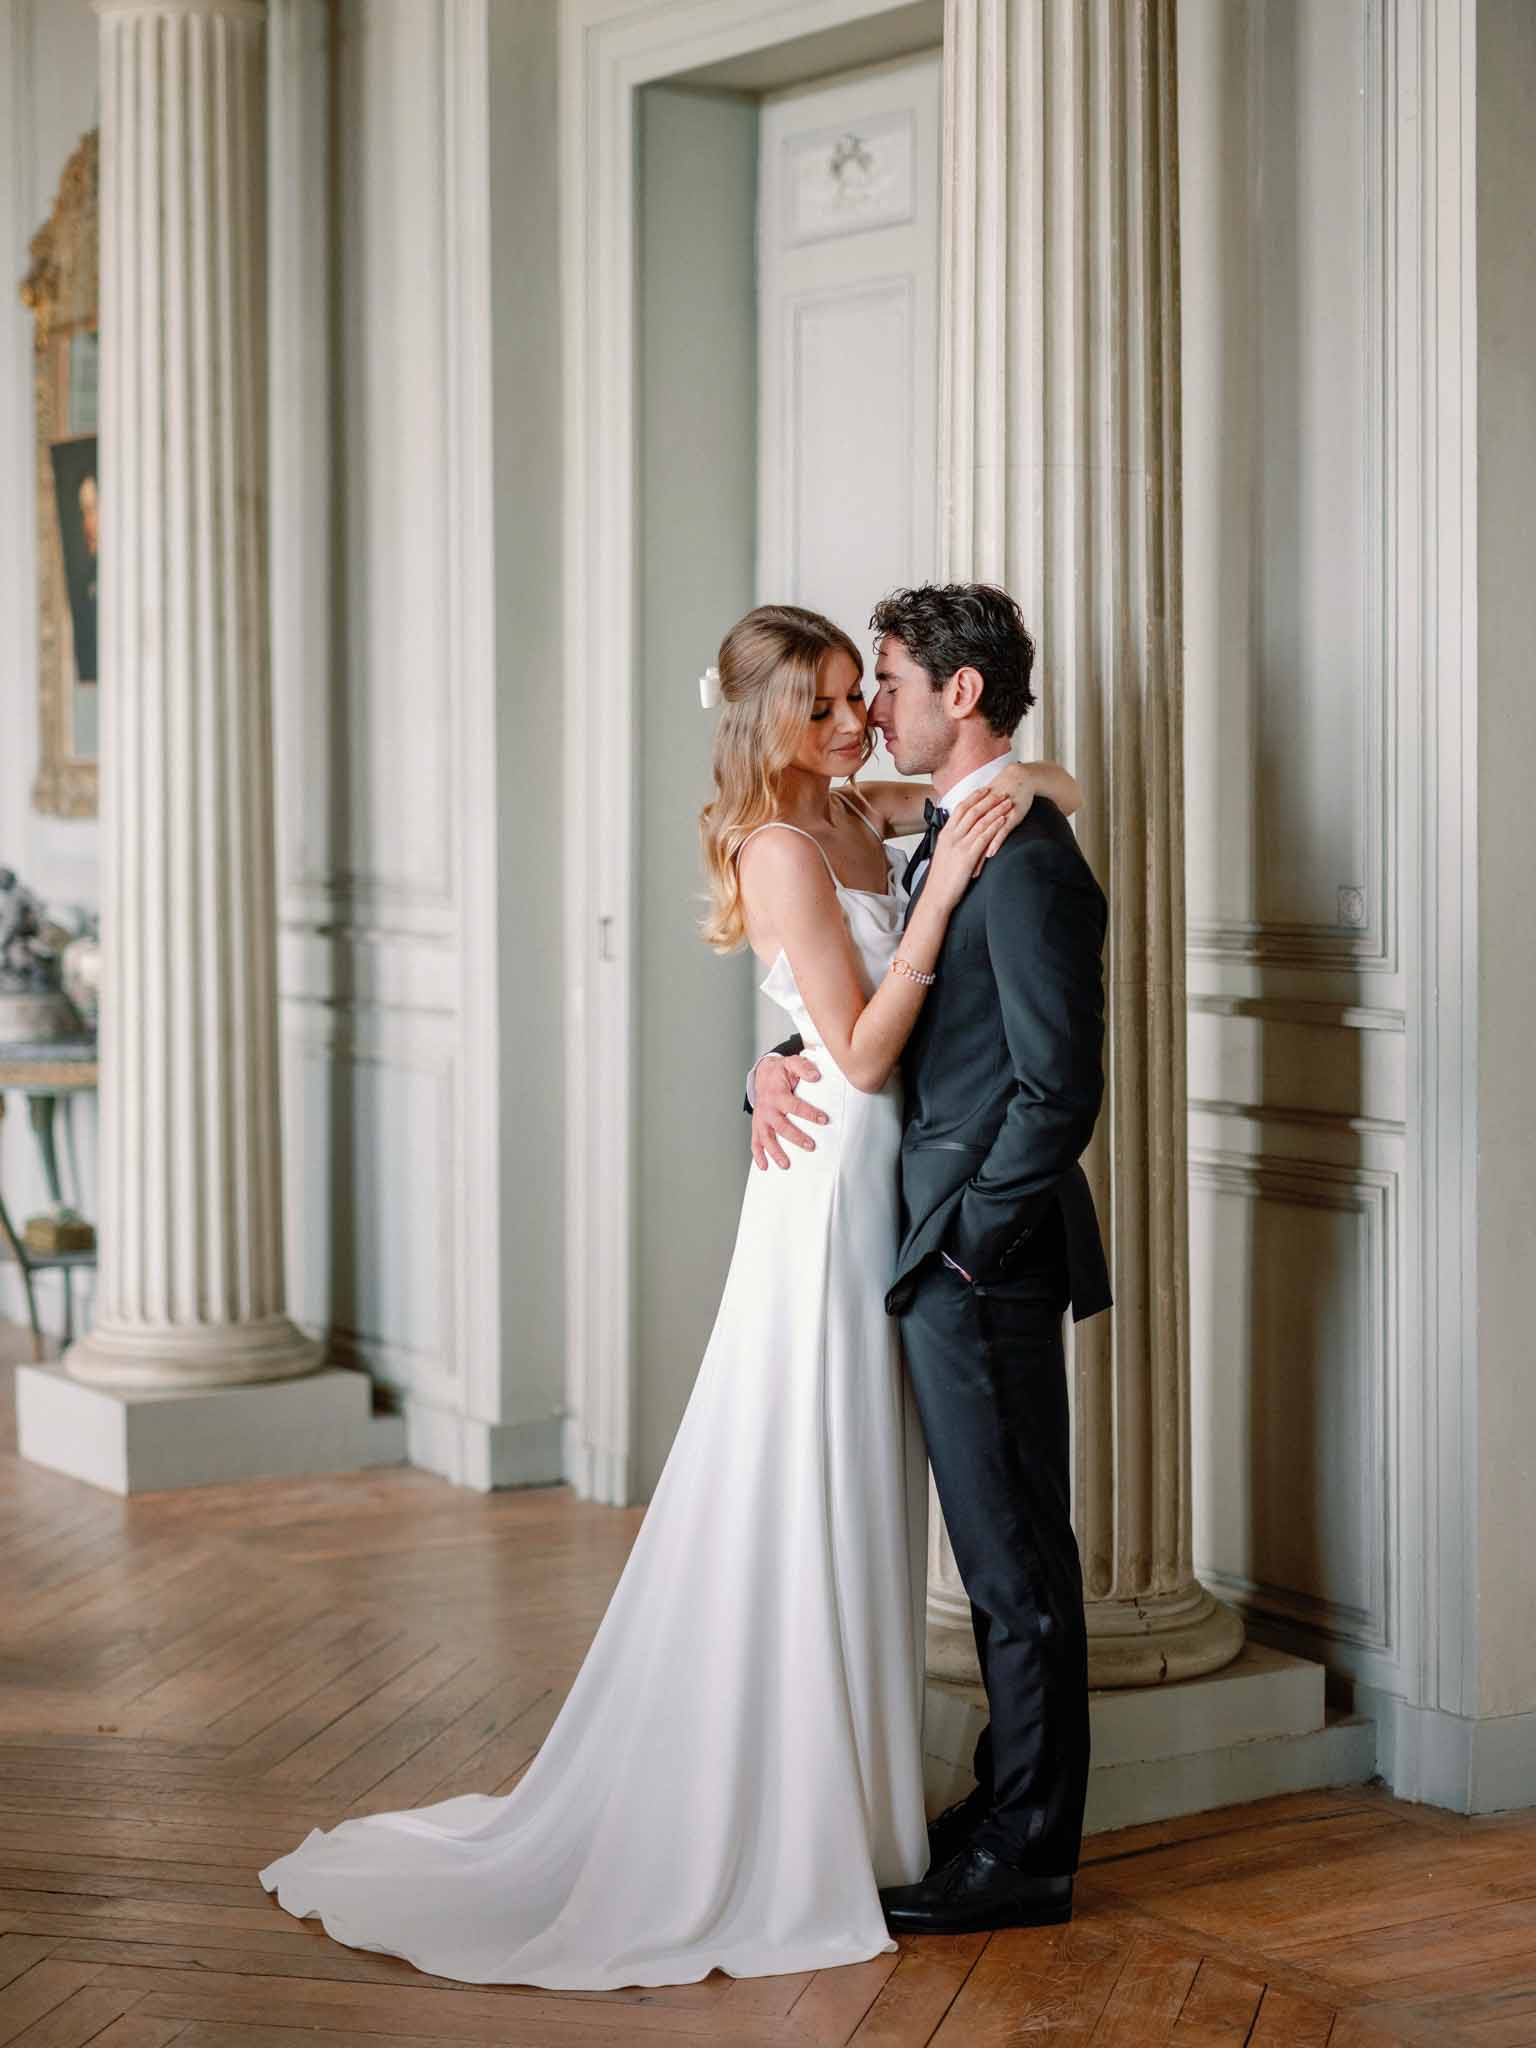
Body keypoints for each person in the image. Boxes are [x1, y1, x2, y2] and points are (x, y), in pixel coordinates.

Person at [257, 601, 1081, 1987]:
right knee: (802, 1461)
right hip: (832, 1189)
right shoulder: (777, 845)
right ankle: (775, 1809)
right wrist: (931, 906)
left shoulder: (856, 809)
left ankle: (862, 1801)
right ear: (769, 722)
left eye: (860, 693)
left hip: (891, 1182)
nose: (854, 720)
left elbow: (1042, 785)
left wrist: (984, 809)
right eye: (825, 705)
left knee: (862, 1475)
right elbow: (860, 1056)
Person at [751, 583, 1112, 1937]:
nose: (872, 711)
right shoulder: (949, 827)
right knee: (997, 1549)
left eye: (886, 682)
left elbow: (1058, 1089)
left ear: (959, 693)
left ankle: (1028, 1852)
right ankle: (1007, 1808)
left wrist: (967, 1238)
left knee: (1014, 1564)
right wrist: (770, 1067)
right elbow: (875, 1021)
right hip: (911, 1234)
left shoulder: (1020, 856)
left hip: (973, 1255)